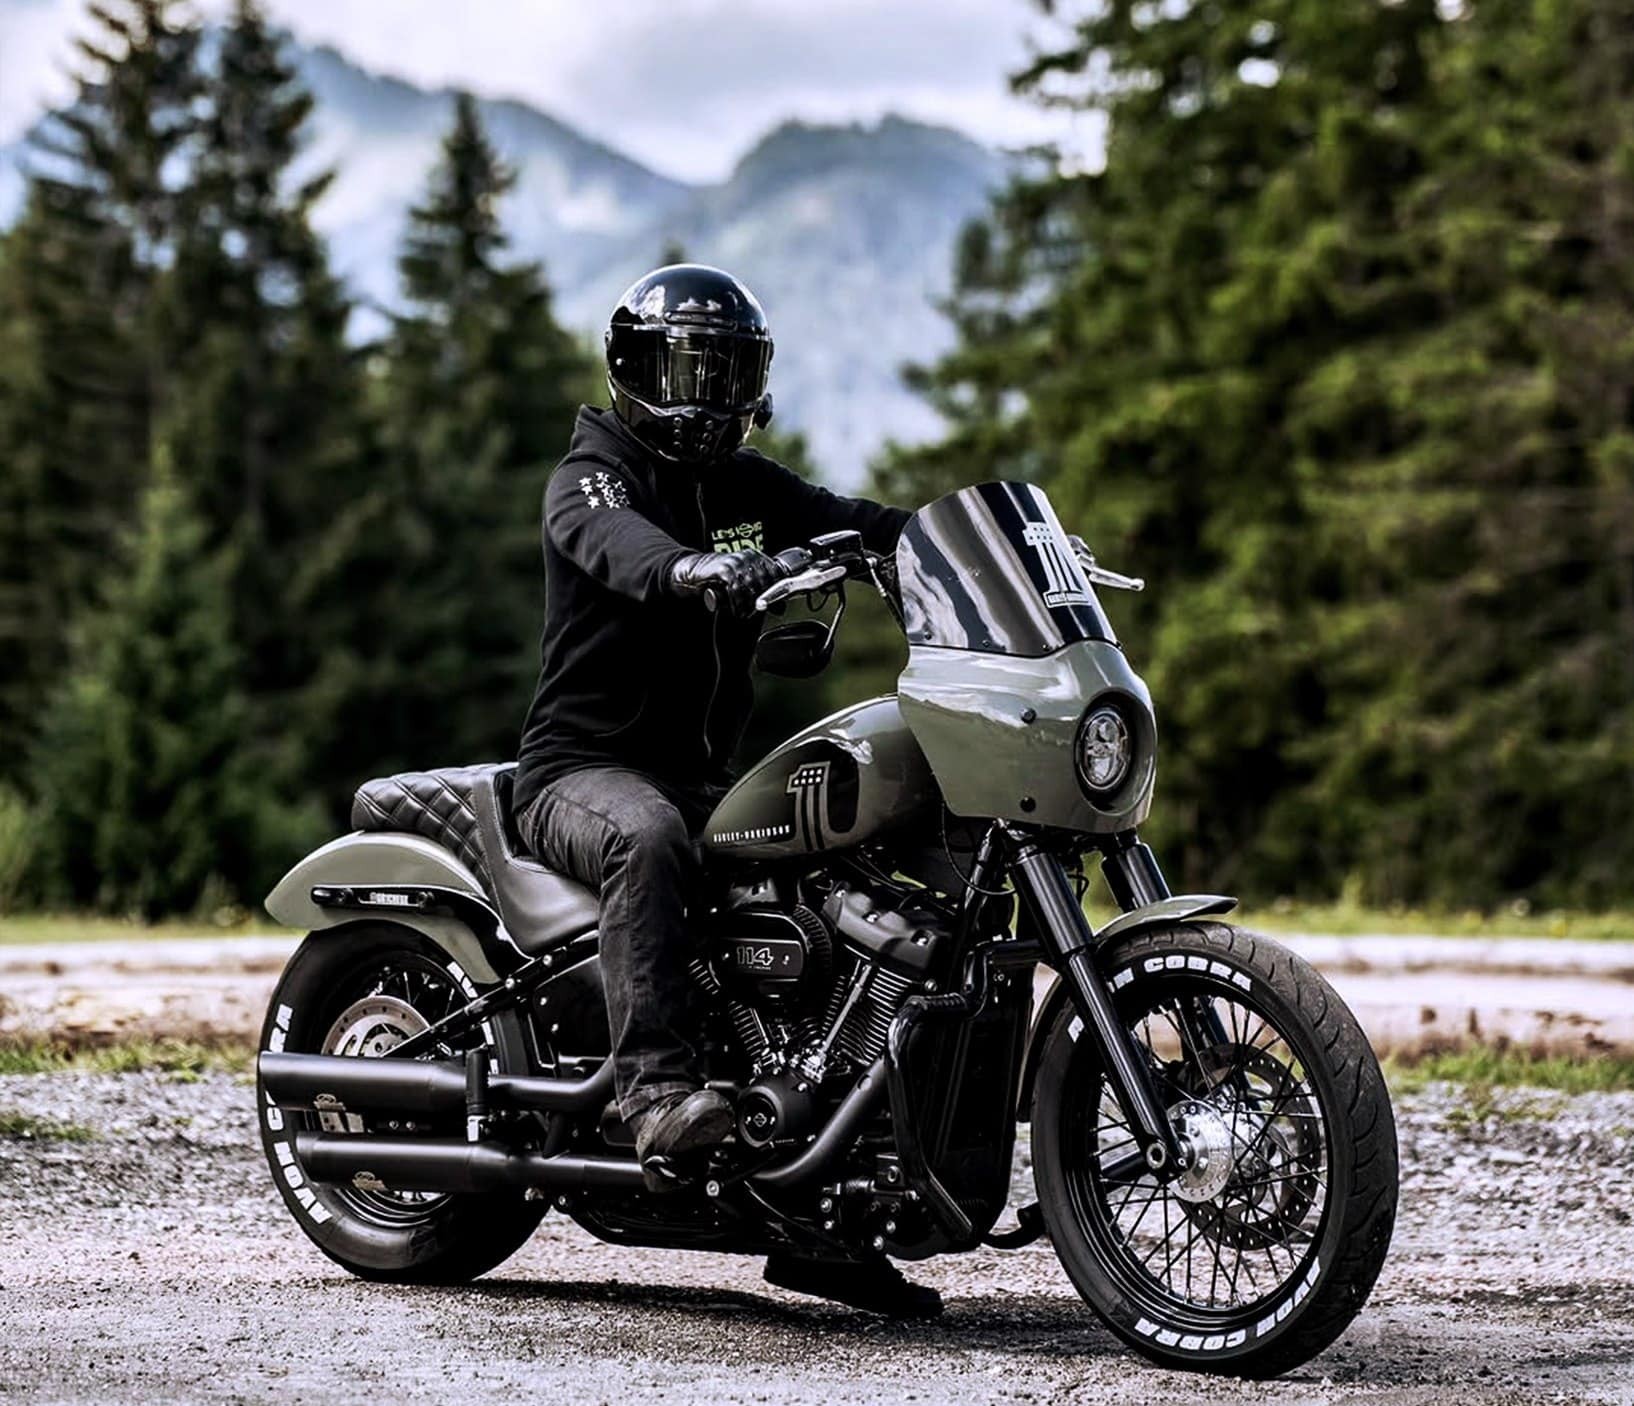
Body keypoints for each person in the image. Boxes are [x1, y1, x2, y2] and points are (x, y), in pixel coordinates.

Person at [515, 264, 937, 1317]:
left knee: (853, 881)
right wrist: (693, 572)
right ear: (630, 368)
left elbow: (854, 516)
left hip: (707, 777)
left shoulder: (741, 484)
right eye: (681, 367)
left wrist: (980, 547)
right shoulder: (594, 470)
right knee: (647, 836)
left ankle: (824, 1203)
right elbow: (614, 543)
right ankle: (652, 1093)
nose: (702, 393)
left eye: (724, 370)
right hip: (580, 772)